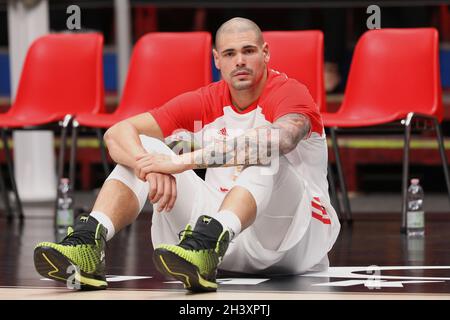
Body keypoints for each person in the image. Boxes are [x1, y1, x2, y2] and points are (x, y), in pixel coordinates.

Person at [33, 17, 340, 292]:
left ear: (266, 53)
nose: (240, 61)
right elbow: (117, 133)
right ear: (217, 60)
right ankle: (89, 242)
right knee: (147, 148)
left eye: (248, 51)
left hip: (295, 237)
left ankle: (209, 240)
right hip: (226, 243)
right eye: (230, 54)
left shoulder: (290, 92)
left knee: (264, 150)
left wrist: (179, 162)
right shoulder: (206, 99)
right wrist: (150, 167)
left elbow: (281, 140)